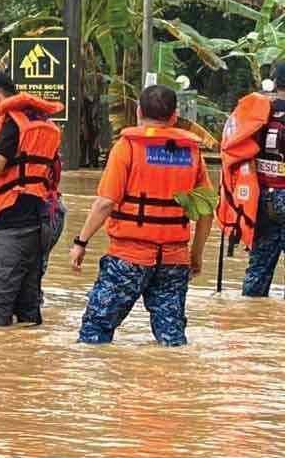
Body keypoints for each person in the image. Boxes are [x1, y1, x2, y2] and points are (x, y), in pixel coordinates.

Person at [71, 85, 213, 346]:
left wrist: (81, 242)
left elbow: (105, 203)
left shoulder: (127, 148)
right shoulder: (192, 152)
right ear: (174, 116)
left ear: (138, 112)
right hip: (174, 259)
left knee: (95, 332)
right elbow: (206, 212)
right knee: (172, 339)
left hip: (128, 258)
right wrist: (196, 254)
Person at [0, 71, 63, 326]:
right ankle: (27, 358)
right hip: (41, 221)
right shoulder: (45, 124)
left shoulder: (10, 122)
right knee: (28, 305)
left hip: (13, 222)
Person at [218, 63, 285, 297]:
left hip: (260, 199)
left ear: (275, 83)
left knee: (257, 269)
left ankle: (251, 312)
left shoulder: (256, 113)